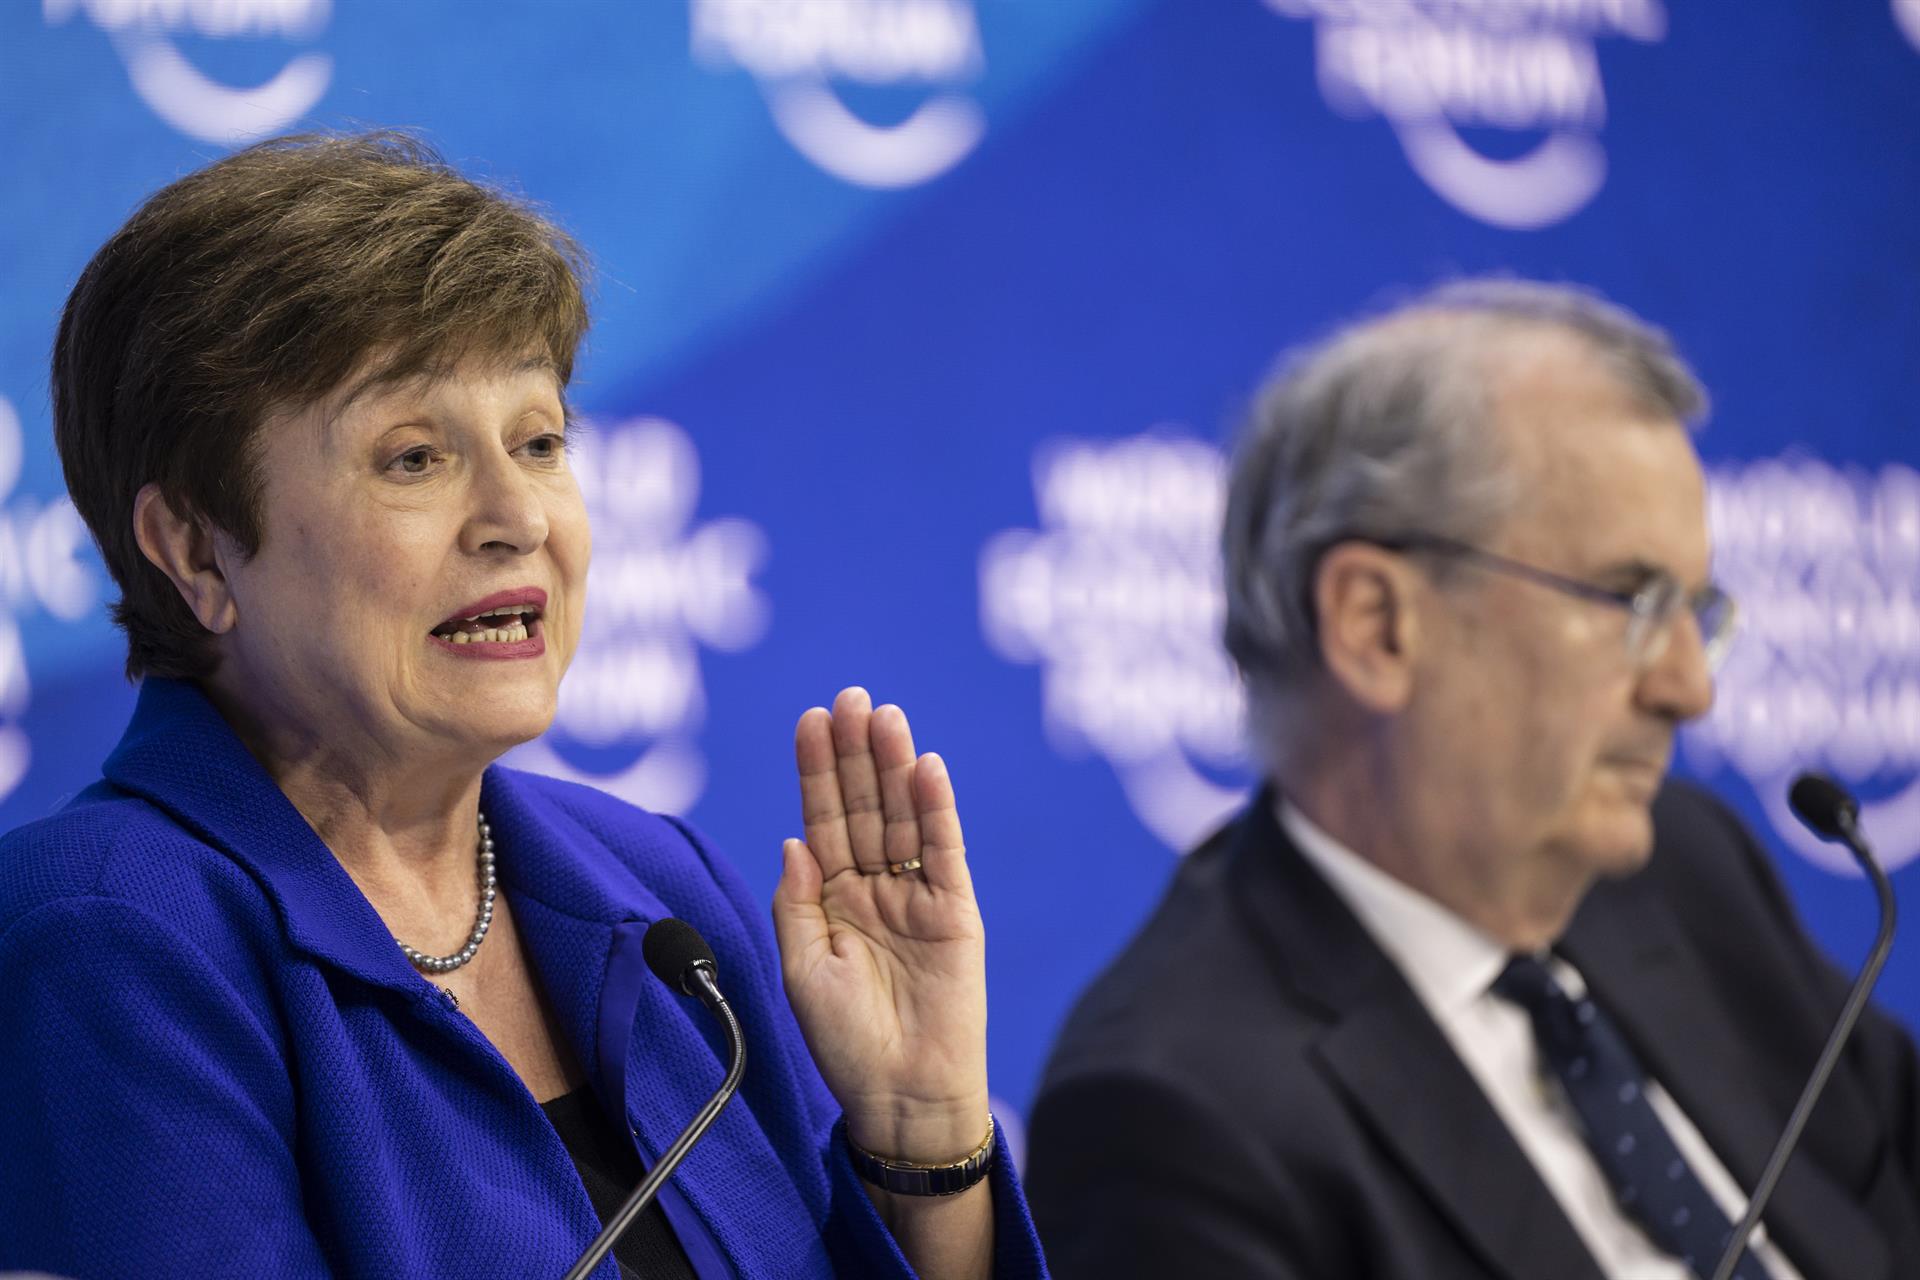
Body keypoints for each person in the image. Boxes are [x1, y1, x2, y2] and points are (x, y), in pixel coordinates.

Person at [0, 131, 1045, 1280]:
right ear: (196, 545)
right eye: (413, 458)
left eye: (540, 441)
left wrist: (919, 1134)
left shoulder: (657, 893)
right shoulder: (106, 936)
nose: (518, 515)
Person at [1023, 280, 1920, 1280]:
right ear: (1376, 624)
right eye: (1630, 598)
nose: (1689, 686)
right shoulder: (1172, 1114)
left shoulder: (1686, 867)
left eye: (1696, 610)